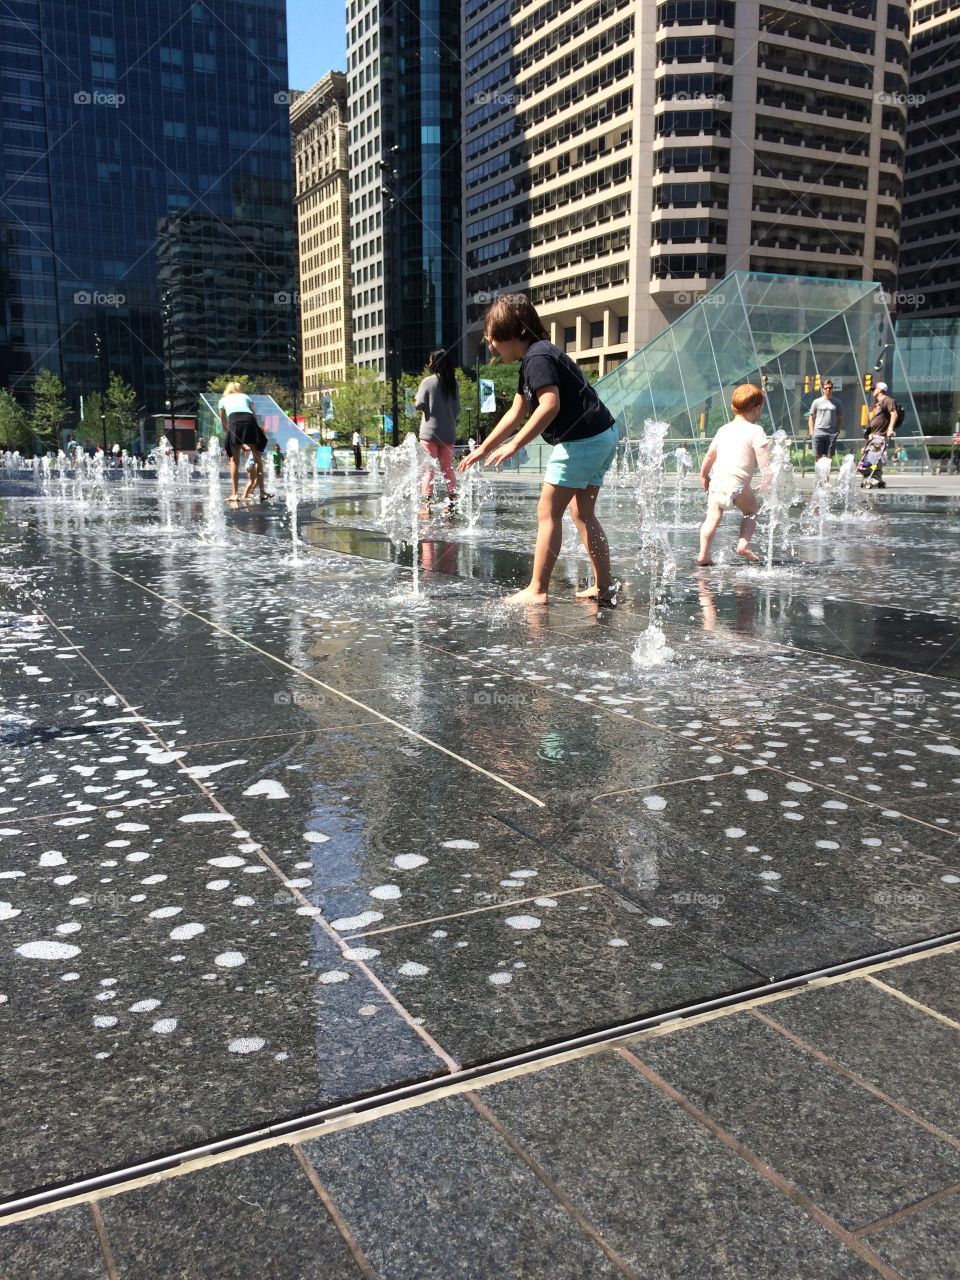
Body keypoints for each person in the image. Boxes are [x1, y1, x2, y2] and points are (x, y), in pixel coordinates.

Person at [457, 293, 619, 605]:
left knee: (547, 511)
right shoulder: (536, 358)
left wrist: (516, 444)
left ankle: (537, 589)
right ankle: (604, 586)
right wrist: (484, 448)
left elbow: (549, 405)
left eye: (493, 339)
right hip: (601, 434)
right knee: (582, 513)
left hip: (581, 441)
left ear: (514, 332)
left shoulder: (538, 357)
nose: (492, 347)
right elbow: (516, 411)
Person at [697, 384, 770, 566]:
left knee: (712, 518)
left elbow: (710, 455)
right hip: (738, 483)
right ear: (756, 409)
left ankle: (704, 554)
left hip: (718, 481)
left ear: (733, 407)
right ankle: (743, 545)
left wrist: (704, 475)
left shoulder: (723, 429)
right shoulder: (756, 430)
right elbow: (762, 456)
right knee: (751, 511)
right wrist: (767, 479)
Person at [415, 348, 460, 510]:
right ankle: (452, 502)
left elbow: (418, 404)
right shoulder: (454, 383)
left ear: (435, 362)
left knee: (428, 470)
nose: (429, 363)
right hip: (448, 433)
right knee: (448, 469)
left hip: (429, 433)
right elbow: (457, 409)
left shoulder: (428, 382)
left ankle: (426, 505)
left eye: (430, 360)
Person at [217, 381, 266, 502]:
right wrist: (256, 429)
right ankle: (262, 492)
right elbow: (254, 414)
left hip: (234, 422)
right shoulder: (245, 397)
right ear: (239, 389)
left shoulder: (222, 400)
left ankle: (234, 494)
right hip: (249, 421)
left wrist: (230, 435)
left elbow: (223, 423)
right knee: (257, 458)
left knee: (234, 460)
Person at [807, 379, 843, 470]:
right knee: (818, 457)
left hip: (831, 433)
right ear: (823, 389)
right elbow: (811, 418)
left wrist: (838, 430)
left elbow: (840, 418)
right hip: (818, 432)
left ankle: (827, 477)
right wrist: (811, 431)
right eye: (826, 388)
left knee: (829, 458)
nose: (828, 390)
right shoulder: (816, 402)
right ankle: (818, 477)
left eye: (830, 388)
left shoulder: (837, 402)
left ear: (832, 389)